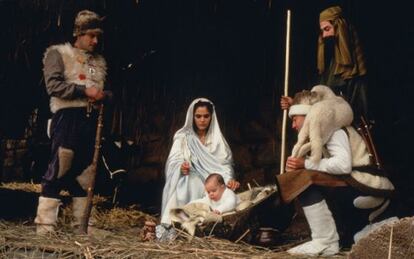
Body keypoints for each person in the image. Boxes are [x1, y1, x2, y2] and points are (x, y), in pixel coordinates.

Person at [276, 86, 396, 256]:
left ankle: (325, 241)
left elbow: (343, 166)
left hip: (367, 185)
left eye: (295, 119)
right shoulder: (325, 131)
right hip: (356, 184)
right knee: (352, 239)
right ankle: (361, 232)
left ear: (309, 115)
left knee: (303, 181)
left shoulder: (334, 132)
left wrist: (306, 164)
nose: (293, 125)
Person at [34, 10, 111, 235]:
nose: (95, 41)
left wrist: (104, 96)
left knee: (85, 174)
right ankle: (45, 227)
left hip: (90, 121)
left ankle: (83, 226)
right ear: (78, 33)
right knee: (60, 167)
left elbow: (104, 92)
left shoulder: (98, 62)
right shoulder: (58, 54)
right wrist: (84, 90)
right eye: (91, 36)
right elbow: (54, 87)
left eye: (98, 36)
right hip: (67, 120)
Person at [157, 98, 240, 239]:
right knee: (191, 182)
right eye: (198, 116)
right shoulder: (183, 137)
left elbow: (224, 165)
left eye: (206, 116)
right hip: (189, 176)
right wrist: (181, 168)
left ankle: (202, 228)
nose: (202, 120)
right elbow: (173, 161)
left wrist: (228, 180)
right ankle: (179, 226)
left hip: (212, 180)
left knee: (215, 189)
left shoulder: (217, 140)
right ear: (192, 116)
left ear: (211, 117)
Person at [281, 6, 369, 121]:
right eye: (322, 31)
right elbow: (319, 100)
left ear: (340, 29)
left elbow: (359, 110)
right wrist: (296, 103)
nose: (324, 36)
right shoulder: (330, 65)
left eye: (327, 29)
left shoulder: (356, 68)